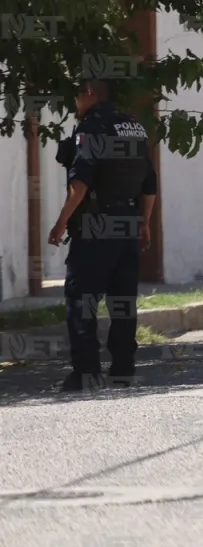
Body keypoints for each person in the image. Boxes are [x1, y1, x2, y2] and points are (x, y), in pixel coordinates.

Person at [47, 78, 156, 391]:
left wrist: (61, 222)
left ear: (90, 94)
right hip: (128, 222)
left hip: (96, 225)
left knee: (81, 299)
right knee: (123, 301)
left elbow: (79, 183)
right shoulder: (133, 126)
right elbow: (149, 183)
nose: (74, 103)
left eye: (76, 96)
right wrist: (144, 223)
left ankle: (86, 372)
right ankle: (123, 369)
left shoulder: (90, 128)